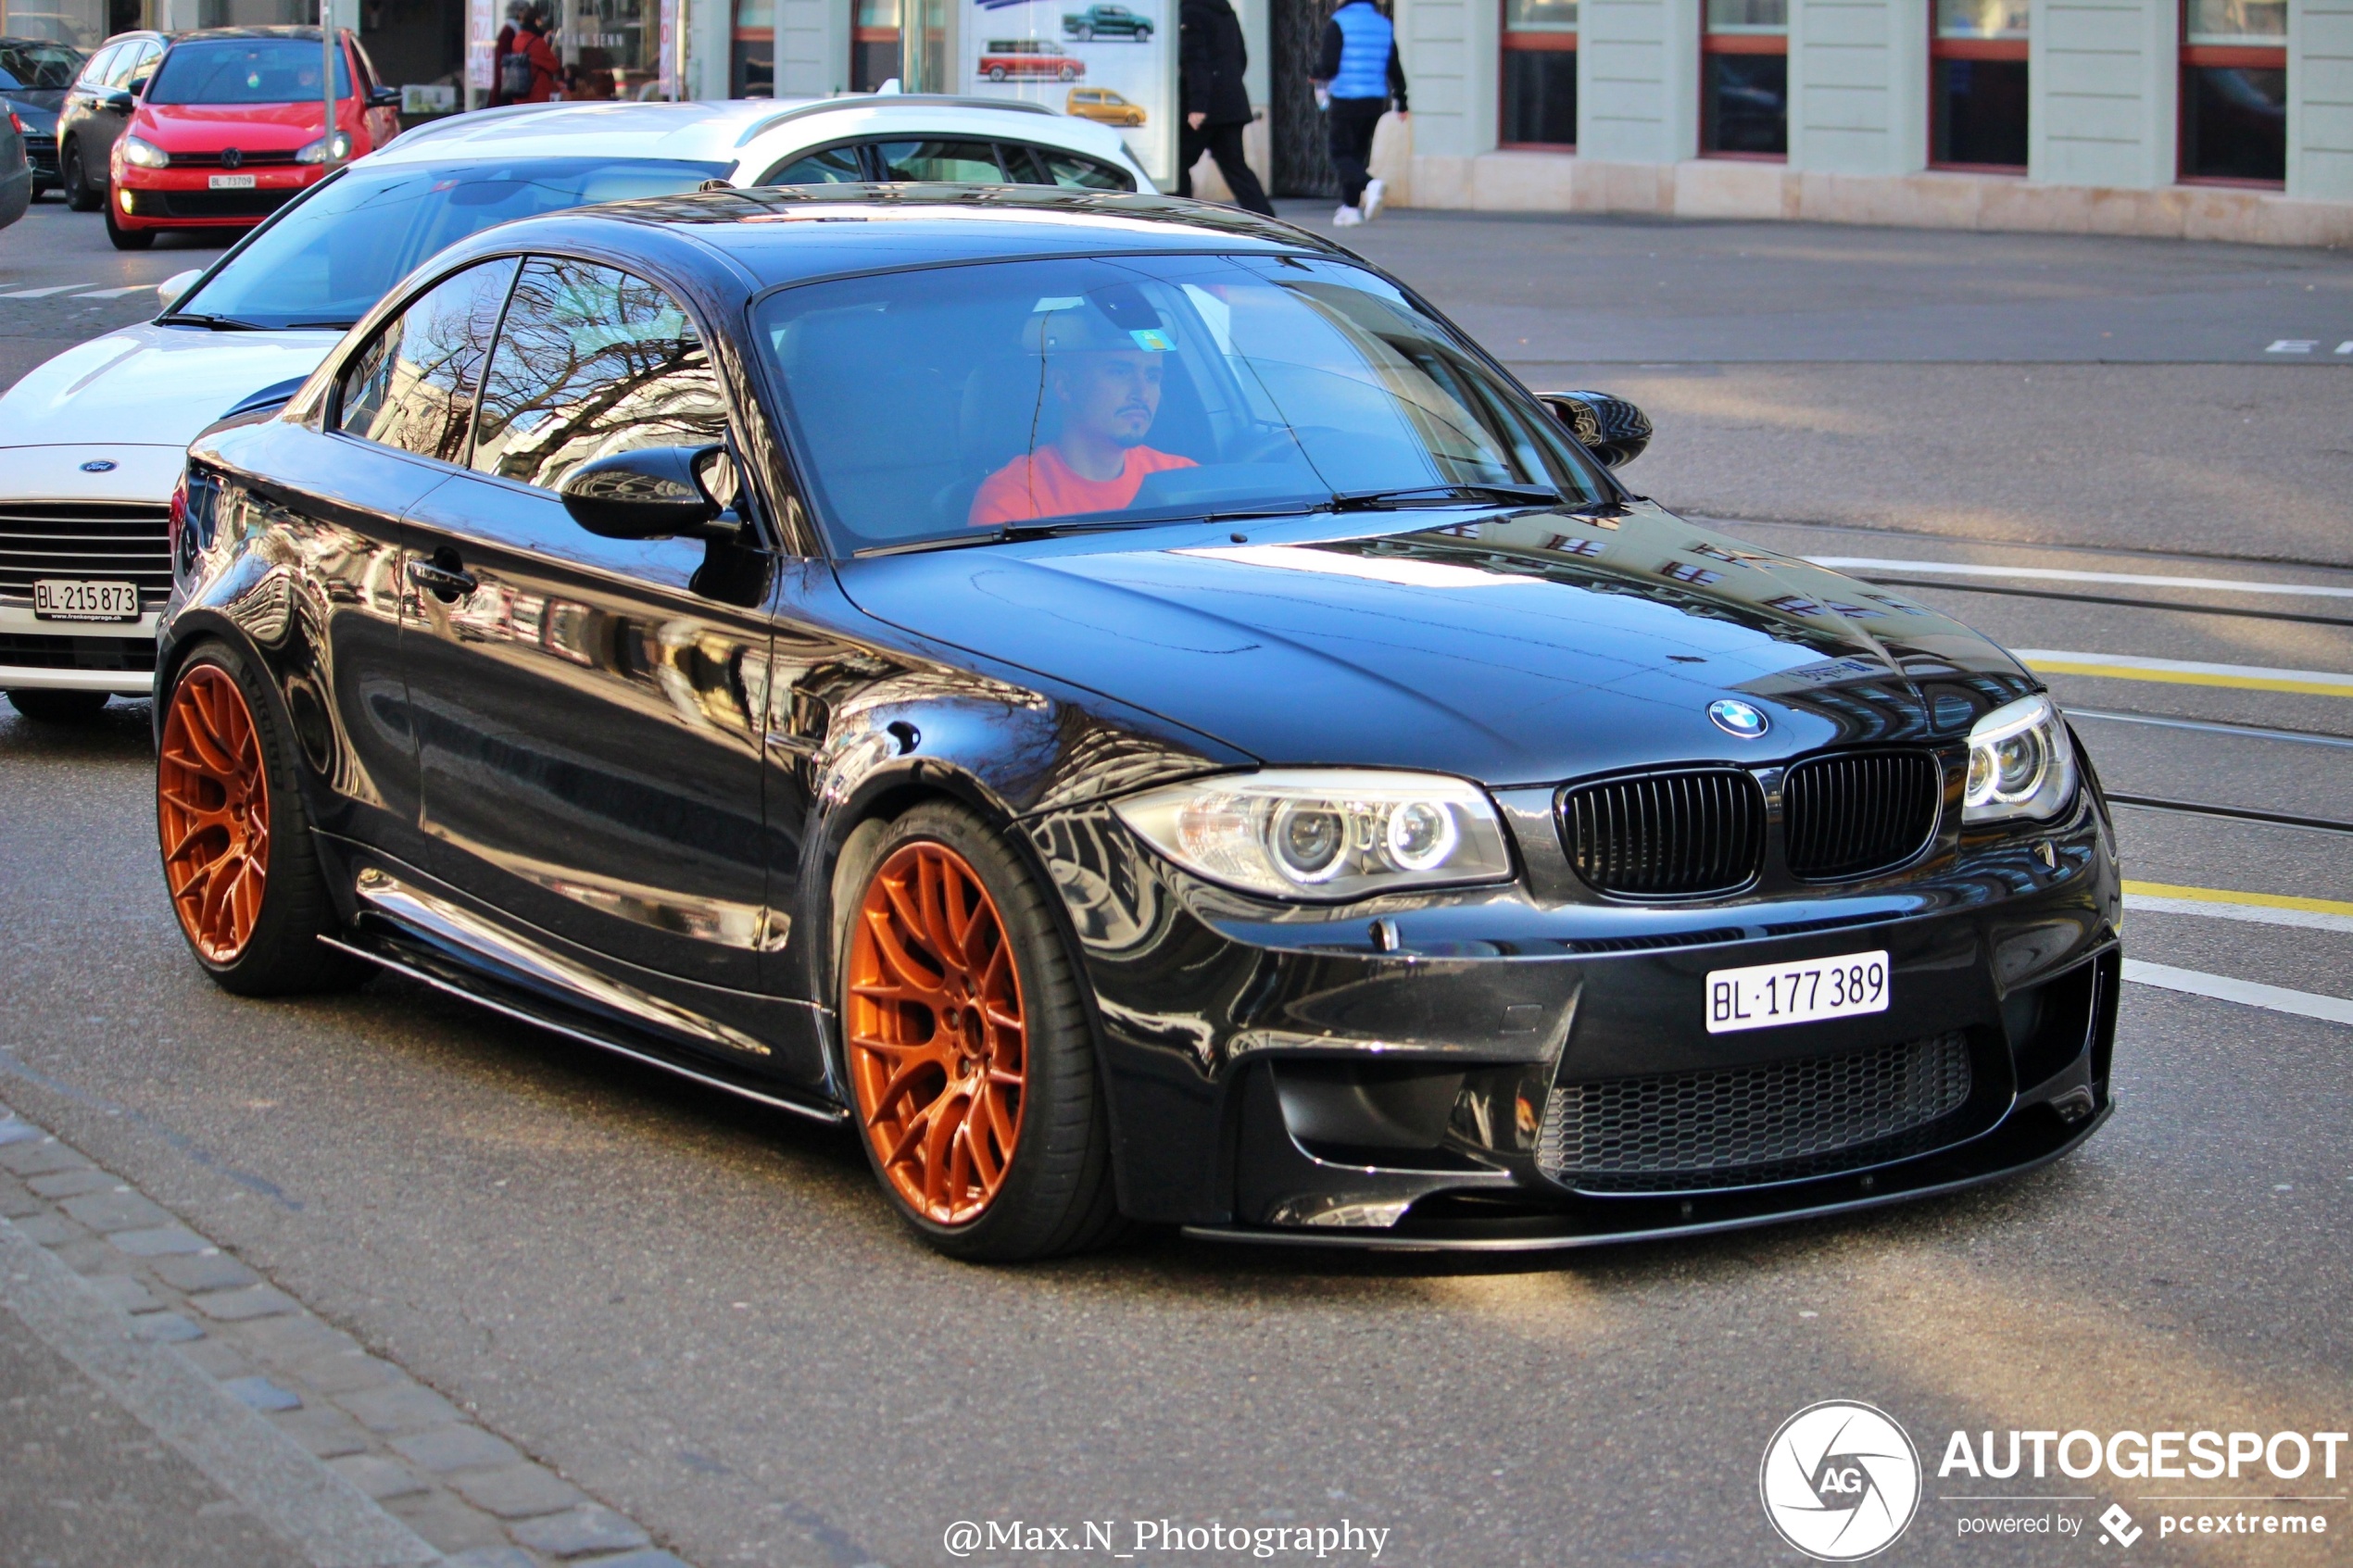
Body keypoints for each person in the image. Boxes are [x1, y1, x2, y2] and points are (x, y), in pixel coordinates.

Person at [970, 298, 1197, 526]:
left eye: (1152, 377)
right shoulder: (1014, 500)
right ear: (1065, 386)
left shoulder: (1183, 481)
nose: (1142, 393)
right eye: (1119, 372)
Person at [1311, 0, 1406, 228]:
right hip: (1374, 99)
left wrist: (1316, 73)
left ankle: (1370, 184)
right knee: (1357, 154)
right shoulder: (1383, 24)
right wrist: (1402, 100)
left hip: (1346, 97)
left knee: (1340, 152)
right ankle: (1351, 208)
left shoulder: (1339, 22)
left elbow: (1330, 65)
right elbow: (1394, 66)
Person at [1176, 0, 1274, 217]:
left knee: (1177, 167)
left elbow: (1195, 60)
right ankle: (1266, 220)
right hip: (1231, 102)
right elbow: (1241, 56)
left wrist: (1198, 105)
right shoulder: (1225, 10)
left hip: (1203, 107)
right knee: (1236, 168)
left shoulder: (1191, 12)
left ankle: (1179, 217)